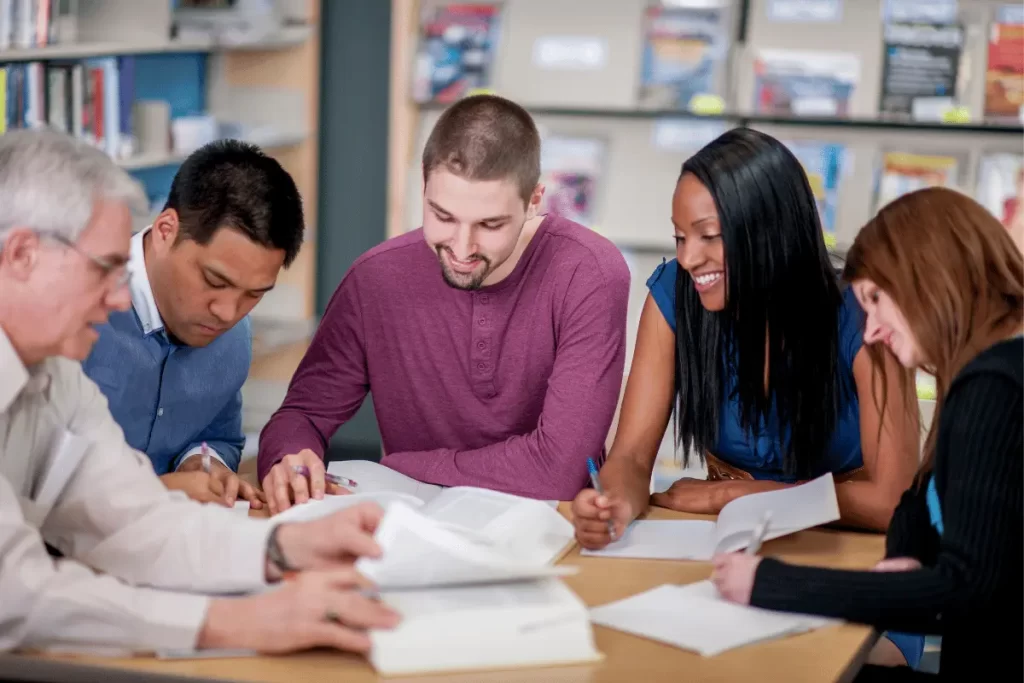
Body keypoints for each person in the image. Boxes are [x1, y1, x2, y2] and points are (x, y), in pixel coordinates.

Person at [0, 129, 398, 654]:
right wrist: (231, 622)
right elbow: (17, 595)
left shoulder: (56, 374)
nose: (122, 300)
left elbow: (132, 521)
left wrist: (285, 546)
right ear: (22, 253)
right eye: (105, 270)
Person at [570, 128, 922, 666]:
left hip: (858, 569)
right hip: (731, 562)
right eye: (679, 237)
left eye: (708, 235)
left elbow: (892, 502)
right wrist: (613, 504)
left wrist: (731, 496)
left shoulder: (864, 316)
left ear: (768, 230)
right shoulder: (672, 298)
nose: (688, 257)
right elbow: (633, 457)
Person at [257, 94, 630, 512]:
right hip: (414, 529)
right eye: (444, 216)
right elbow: (301, 415)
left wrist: (410, 466)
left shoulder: (589, 273)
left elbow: (560, 471)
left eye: (490, 224)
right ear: (424, 184)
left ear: (534, 201)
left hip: (546, 529)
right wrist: (289, 458)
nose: (462, 247)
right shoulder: (376, 279)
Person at [711, 187, 1023, 682]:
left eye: (876, 300)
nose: (872, 331)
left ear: (931, 277)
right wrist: (904, 562)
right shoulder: (980, 371)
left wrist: (772, 584)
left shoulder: (995, 385)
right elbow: (916, 508)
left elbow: (967, 589)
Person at [82, 140, 304, 510]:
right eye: (215, 281)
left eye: (254, 293)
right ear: (167, 229)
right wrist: (162, 491)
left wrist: (203, 464)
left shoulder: (234, 337)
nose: (228, 312)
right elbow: (33, 484)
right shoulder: (75, 310)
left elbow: (218, 436)